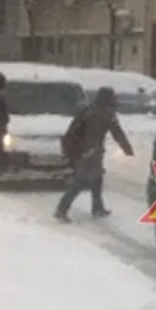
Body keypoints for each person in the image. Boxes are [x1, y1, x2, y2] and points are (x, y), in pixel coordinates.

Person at [54, 87, 134, 222]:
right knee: (80, 181)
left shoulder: (89, 110)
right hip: (89, 151)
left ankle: (97, 207)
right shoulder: (104, 113)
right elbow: (116, 132)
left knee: (96, 179)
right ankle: (62, 209)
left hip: (84, 151)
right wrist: (127, 148)